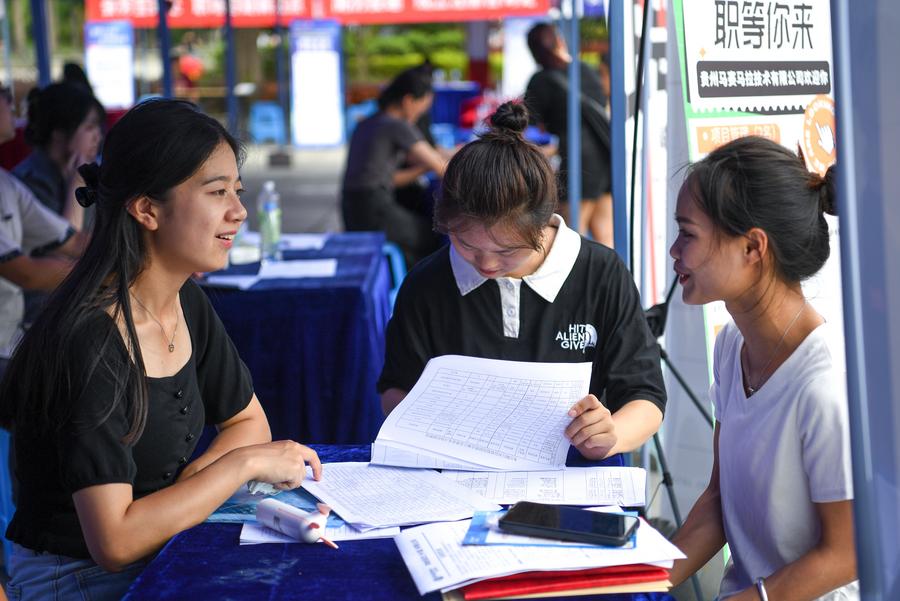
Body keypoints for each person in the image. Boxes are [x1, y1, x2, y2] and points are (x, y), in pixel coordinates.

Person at [0, 99, 321, 601]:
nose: (238, 211)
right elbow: (115, 541)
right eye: (217, 193)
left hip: (159, 547)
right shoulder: (91, 341)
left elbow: (247, 422)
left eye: (236, 191)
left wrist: (194, 484)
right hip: (80, 579)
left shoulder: (181, 297)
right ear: (146, 208)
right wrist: (238, 467)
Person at [378, 101, 665, 463]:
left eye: (508, 250)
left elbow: (644, 395)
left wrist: (612, 434)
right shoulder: (428, 282)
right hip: (455, 475)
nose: (486, 263)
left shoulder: (599, 272)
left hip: (574, 471)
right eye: (466, 244)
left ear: (544, 224)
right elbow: (396, 389)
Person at [667, 136, 857, 600]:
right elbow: (718, 501)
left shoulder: (824, 383)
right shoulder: (731, 346)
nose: (674, 250)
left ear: (753, 247)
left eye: (688, 234)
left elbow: (846, 553)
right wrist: (631, 582)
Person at [0, 84, 87, 381]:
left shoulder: (7, 184)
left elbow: (74, 241)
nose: (11, 101)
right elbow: (26, 273)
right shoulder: (31, 177)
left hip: (11, 343)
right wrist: (116, 267)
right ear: (62, 134)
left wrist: (150, 250)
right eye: (90, 127)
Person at [341, 67, 448, 267]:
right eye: (421, 108)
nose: (420, 115)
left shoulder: (370, 122)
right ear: (408, 101)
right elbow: (442, 167)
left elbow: (387, 178)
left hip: (353, 211)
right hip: (374, 211)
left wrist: (425, 167)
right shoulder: (396, 125)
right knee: (433, 236)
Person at [524, 23, 613, 247]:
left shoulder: (541, 81)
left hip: (578, 161)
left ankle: (578, 283)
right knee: (606, 239)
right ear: (559, 42)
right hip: (606, 154)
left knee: (570, 239)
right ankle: (612, 282)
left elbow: (530, 122)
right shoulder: (586, 70)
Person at [13, 81, 105, 231]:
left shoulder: (94, 171)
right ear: (58, 133)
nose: (98, 136)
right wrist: (77, 184)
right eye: (89, 127)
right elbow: (67, 249)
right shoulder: (27, 185)